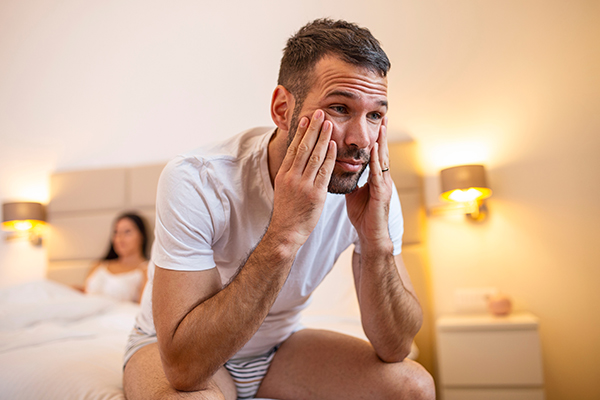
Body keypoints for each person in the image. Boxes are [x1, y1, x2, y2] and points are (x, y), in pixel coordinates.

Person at [123, 18, 435, 400]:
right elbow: (185, 368)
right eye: (339, 108)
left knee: (414, 386)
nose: (361, 140)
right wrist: (285, 232)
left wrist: (376, 242)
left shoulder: (371, 186)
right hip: (177, 347)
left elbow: (396, 347)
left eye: (375, 115)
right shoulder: (197, 180)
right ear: (283, 109)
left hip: (277, 351)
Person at [84, 212, 149, 303]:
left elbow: (143, 308)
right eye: (116, 232)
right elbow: (86, 294)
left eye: (127, 232)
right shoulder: (99, 265)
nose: (120, 238)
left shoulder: (146, 271)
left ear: (142, 236)